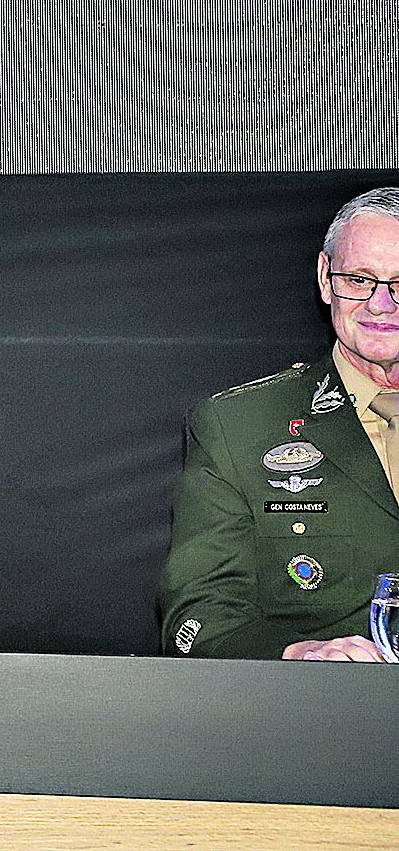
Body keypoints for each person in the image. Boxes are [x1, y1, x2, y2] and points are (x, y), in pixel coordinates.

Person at [161, 186, 399, 662]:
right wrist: (300, 653)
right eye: (359, 279)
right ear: (325, 279)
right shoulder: (238, 428)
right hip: (325, 719)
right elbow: (197, 617)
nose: (381, 304)